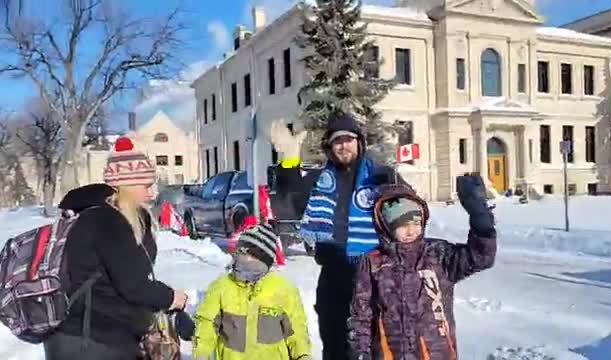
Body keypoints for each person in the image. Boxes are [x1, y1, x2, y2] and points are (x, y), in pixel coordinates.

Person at [270, 113, 406, 360]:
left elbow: (409, 215)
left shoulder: (381, 175)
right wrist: (289, 162)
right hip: (333, 277)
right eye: (337, 141)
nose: (343, 145)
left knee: (374, 347)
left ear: (359, 142)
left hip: (373, 278)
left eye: (348, 139)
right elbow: (291, 196)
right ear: (330, 147)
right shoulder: (320, 180)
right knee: (334, 347)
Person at [44, 137, 189, 360]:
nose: (152, 194)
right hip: (96, 341)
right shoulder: (109, 221)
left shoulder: (89, 216)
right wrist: (173, 298)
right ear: (127, 185)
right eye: (146, 186)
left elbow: (114, 279)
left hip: (73, 338)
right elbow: (133, 286)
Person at [348, 176, 497, 360]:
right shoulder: (373, 262)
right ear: (386, 225)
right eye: (402, 225)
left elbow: (481, 258)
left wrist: (481, 219)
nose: (411, 231)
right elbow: (362, 314)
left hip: (437, 353)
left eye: (415, 223)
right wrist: (360, 352)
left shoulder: (437, 254)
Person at [192, 223, 311, 360]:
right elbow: (206, 324)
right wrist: (201, 353)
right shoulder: (221, 287)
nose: (242, 257)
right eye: (240, 251)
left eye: (248, 253)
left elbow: (297, 330)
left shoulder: (283, 290)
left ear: (263, 259)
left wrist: (303, 355)